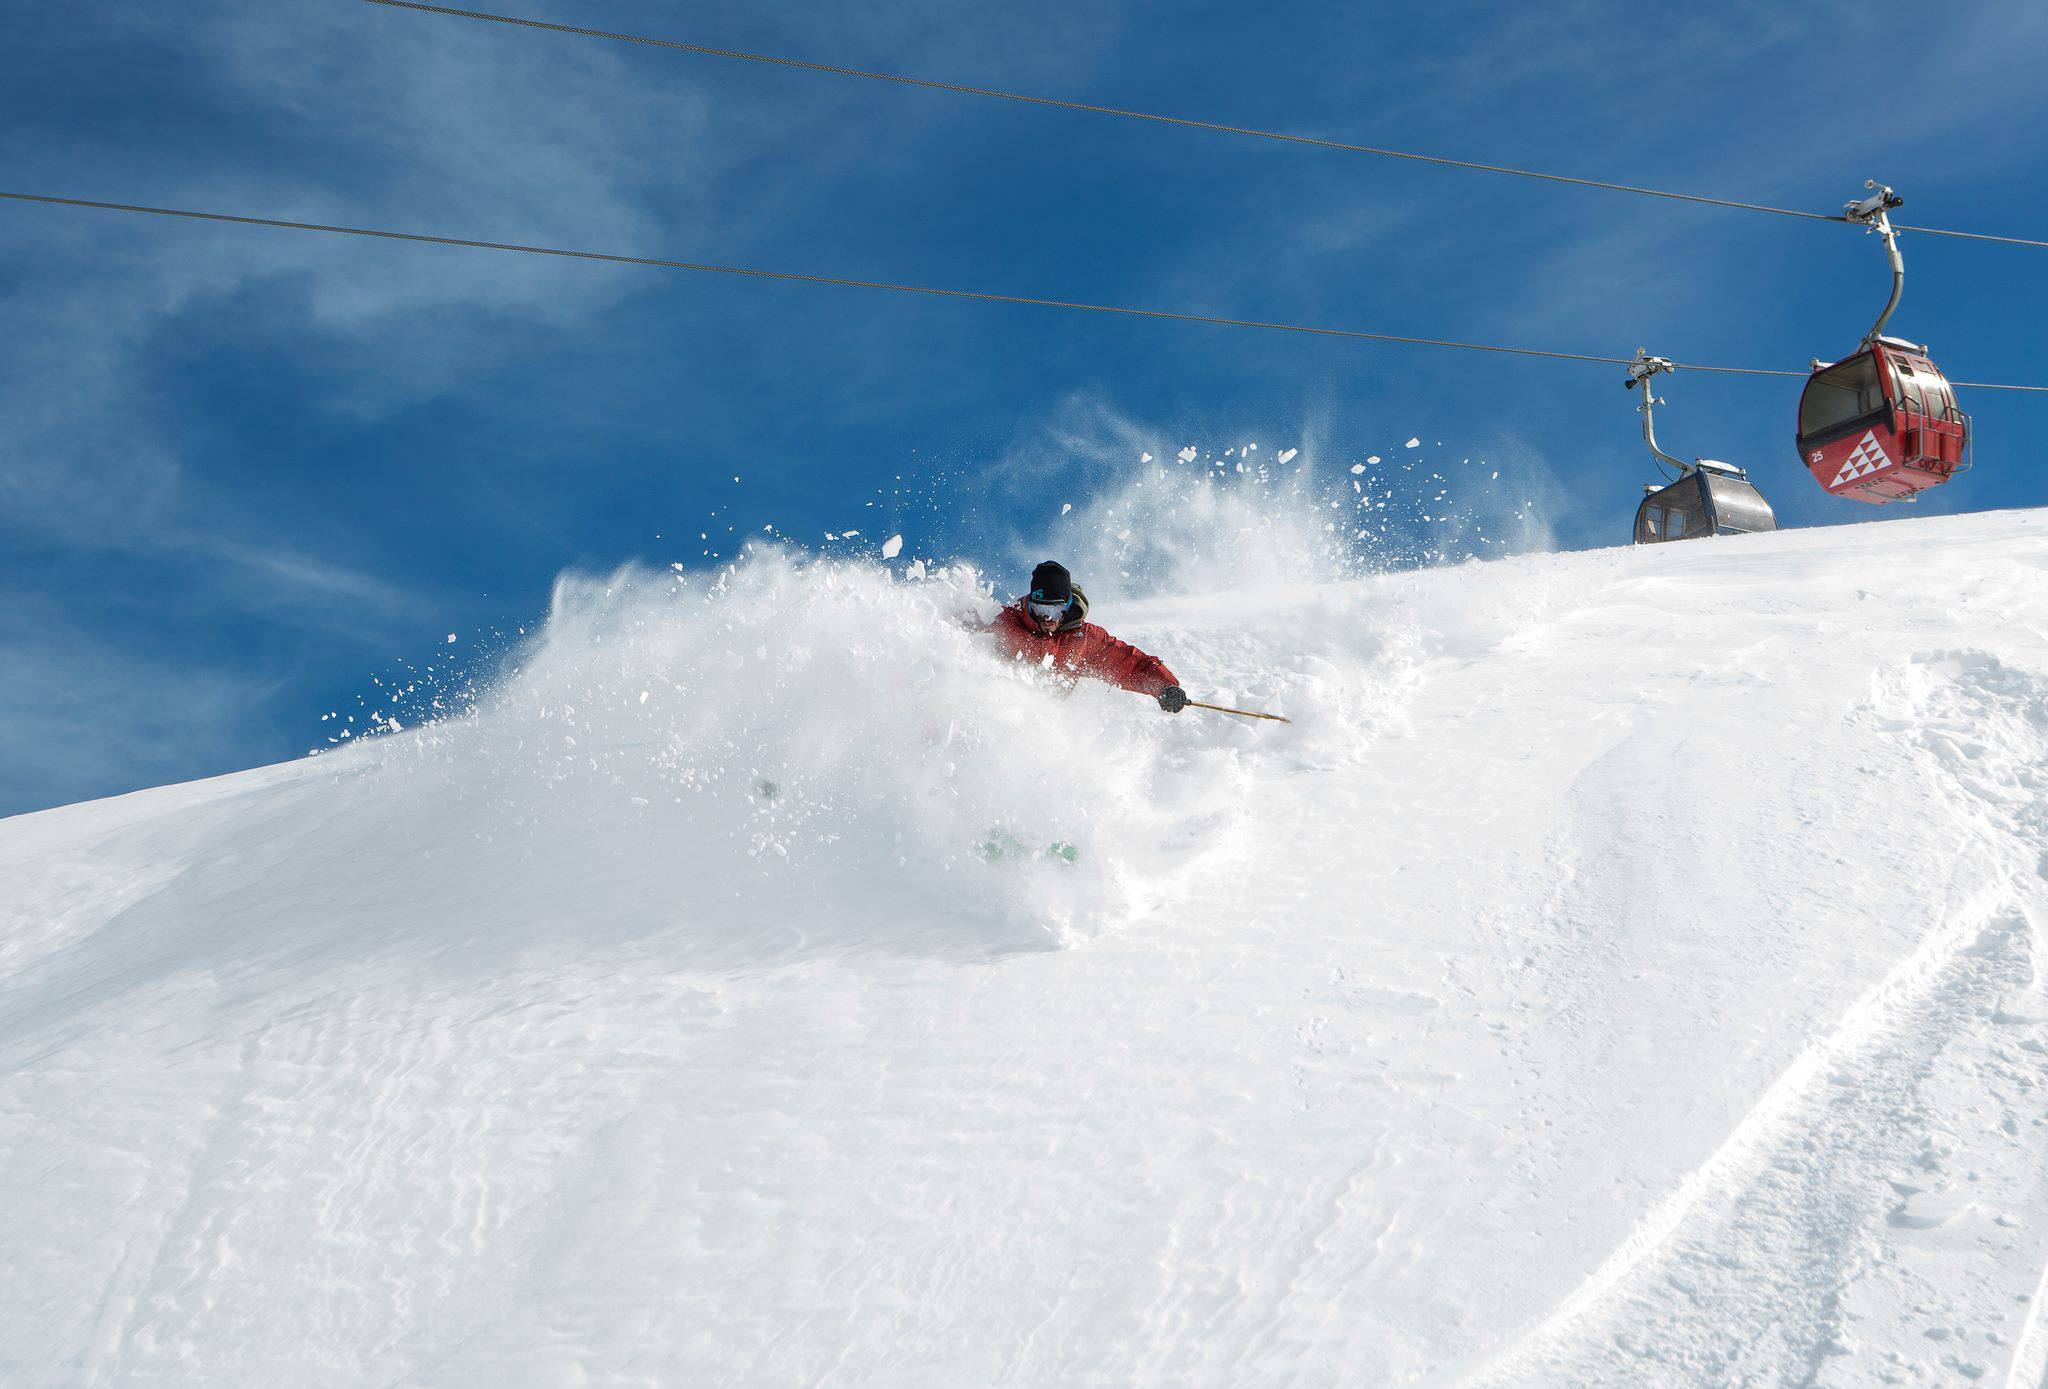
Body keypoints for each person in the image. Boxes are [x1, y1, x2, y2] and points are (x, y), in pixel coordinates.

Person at [987, 561, 1189, 713]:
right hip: (997, 709)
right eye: (1041, 608)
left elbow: (1131, 664)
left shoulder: (1083, 640)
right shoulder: (1005, 620)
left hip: (1045, 719)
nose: (1048, 617)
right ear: (1031, 604)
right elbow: (959, 623)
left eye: (1056, 609)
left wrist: (1165, 686)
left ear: (1067, 606)